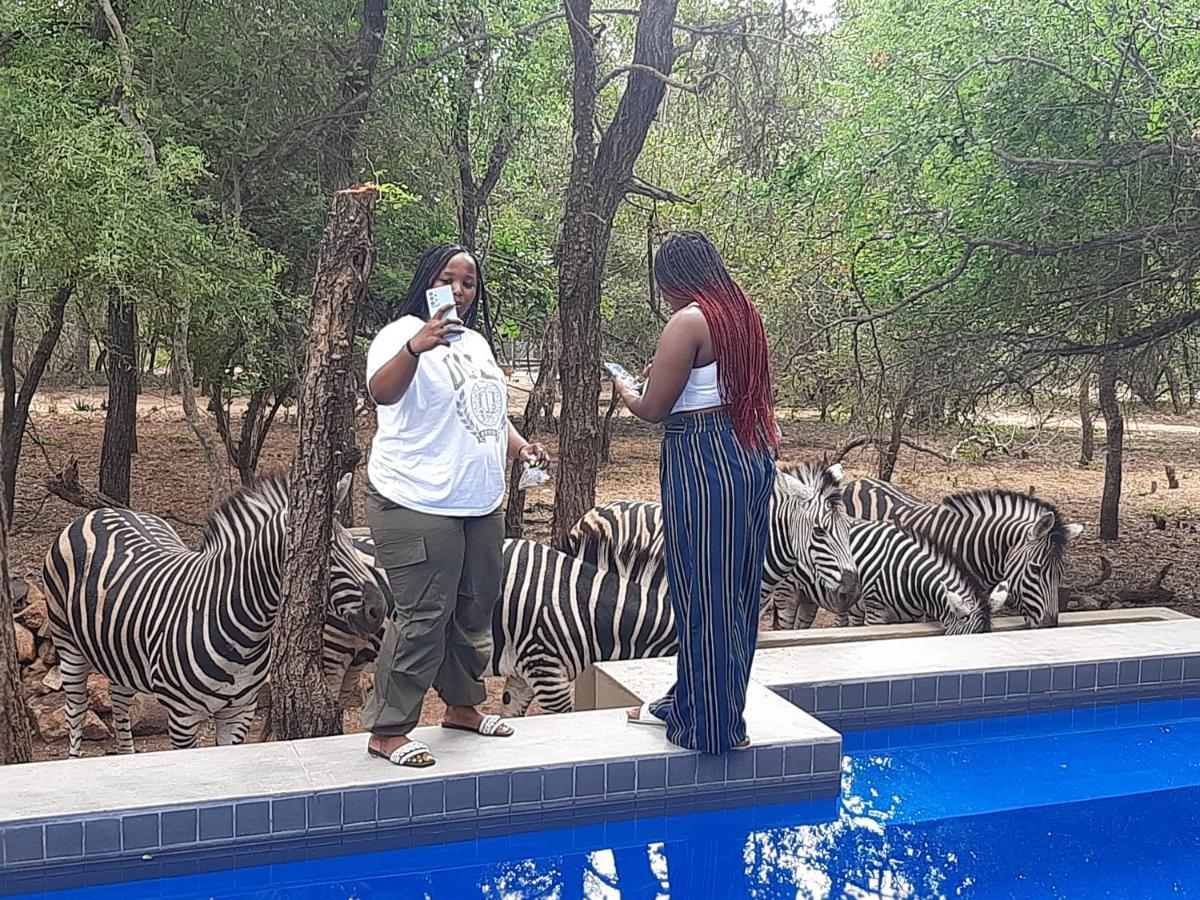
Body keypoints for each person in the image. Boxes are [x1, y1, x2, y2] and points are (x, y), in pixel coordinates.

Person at [362, 243, 549, 768]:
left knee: (474, 608)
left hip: (478, 500)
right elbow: (381, 392)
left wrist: (521, 447)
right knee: (424, 612)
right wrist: (415, 347)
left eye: (469, 282)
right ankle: (389, 729)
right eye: (450, 279)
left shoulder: (476, 344)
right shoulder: (399, 334)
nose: (461, 291)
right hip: (414, 498)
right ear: (429, 280)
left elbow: (486, 409)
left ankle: (463, 708)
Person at [613, 230, 778, 754]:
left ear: (674, 278)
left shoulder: (688, 319)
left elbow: (655, 409)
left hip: (702, 455)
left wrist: (626, 391)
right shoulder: (741, 313)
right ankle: (703, 703)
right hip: (748, 451)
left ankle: (707, 730)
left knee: (701, 592)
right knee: (735, 592)